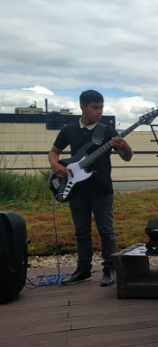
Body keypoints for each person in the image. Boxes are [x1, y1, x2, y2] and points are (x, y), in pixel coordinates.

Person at [49, 90, 133, 287]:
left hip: (102, 189)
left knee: (106, 231)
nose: (100, 111)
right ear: (82, 107)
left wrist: (127, 148)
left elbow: (127, 157)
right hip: (76, 189)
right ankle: (83, 270)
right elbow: (54, 152)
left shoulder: (108, 131)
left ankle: (109, 270)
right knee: (81, 231)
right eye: (95, 107)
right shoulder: (69, 129)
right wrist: (55, 165)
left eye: (102, 107)